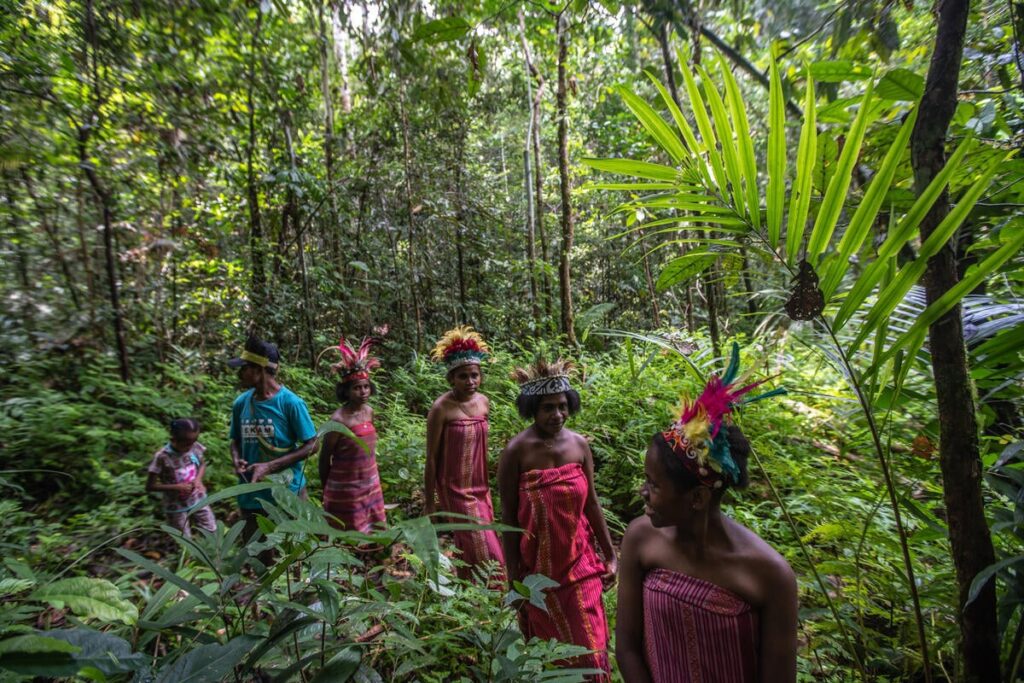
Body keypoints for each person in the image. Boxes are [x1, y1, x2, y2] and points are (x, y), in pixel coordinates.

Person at [615, 344, 797, 683]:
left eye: (653, 484)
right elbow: (626, 647)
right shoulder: (640, 538)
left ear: (697, 498)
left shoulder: (770, 574)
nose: (642, 492)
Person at [497, 359, 616, 679]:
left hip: (581, 564)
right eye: (548, 408)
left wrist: (611, 554)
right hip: (538, 571)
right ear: (532, 410)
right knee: (553, 651)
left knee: (592, 645)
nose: (557, 415)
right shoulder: (516, 452)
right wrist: (513, 575)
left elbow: (591, 502)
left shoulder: (579, 446)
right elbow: (508, 516)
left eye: (563, 406)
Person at [423, 326, 505, 581]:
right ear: (451, 379)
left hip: (480, 486)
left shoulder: (483, 402)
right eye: (463, 376)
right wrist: (430, 501)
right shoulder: (441, 408)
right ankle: (494, 591)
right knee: (486, 547)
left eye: (474, 375)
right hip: (454, 489)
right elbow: (432, 456)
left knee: (472, 543)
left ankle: (468, 588)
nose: (470, 381)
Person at [228, 337, 318, 542]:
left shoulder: (291, 403)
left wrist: (269, 466)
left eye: (244, 368)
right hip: (250, 494)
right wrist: (236, 459)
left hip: (287, 493)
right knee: (257, 551)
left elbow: (312, 445)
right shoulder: (241, 403)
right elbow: (234, 440)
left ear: (259, 370)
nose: (239, 373)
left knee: (291, 551)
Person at [318, 336, 387, 533]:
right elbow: (324, 459)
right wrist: (327, 491)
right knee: (349, 533)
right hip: (345, 488)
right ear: (346, 391)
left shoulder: (370, 411)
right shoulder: (338, 420)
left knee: (374, 529)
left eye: (366, 387)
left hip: (370, 482)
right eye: (357, 388)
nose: (363, 392)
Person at [146, 417, 217, 538]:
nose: (191, 445)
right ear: (173, 439)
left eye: (194, 441)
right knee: (183, 540)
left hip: (198, 498)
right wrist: (176, 487)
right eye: (186, 443)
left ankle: (215, 554)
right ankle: (188, 556)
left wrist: (198, 480)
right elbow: (150, 486)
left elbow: (202, 464)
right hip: (175, 505)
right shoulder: (162, 457)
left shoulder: (195, 447)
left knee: (211, 530)